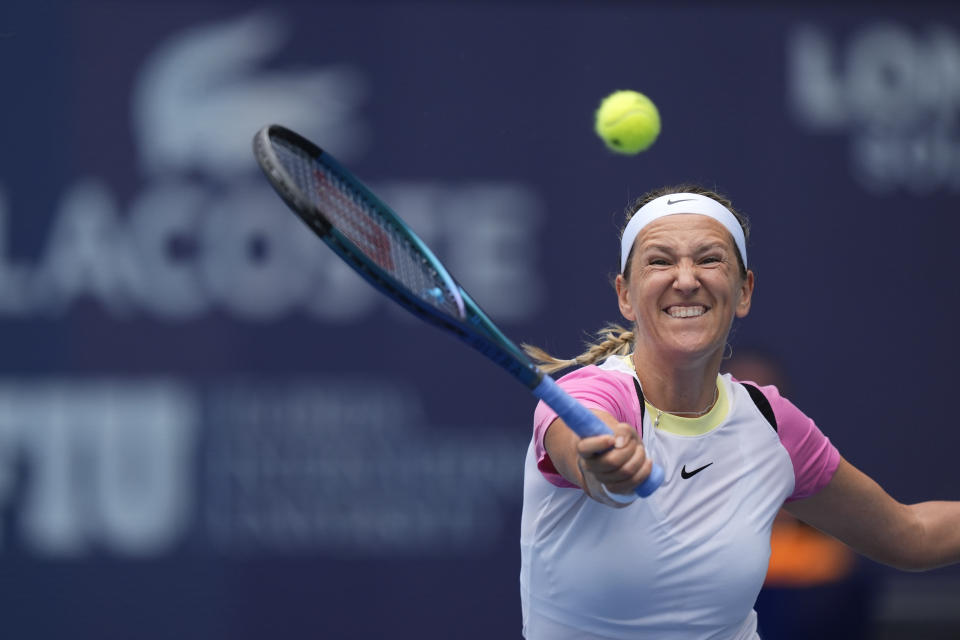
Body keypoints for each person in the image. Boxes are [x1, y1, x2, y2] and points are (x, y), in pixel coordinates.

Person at [518, 184, 960, 640]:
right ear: (625, 295)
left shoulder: (771, 424)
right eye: (660, 261)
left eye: (709, 259)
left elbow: (911, 535)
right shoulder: (589, 392)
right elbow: (586, 439)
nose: (686, 279)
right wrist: (606, 462)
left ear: (743, 290)